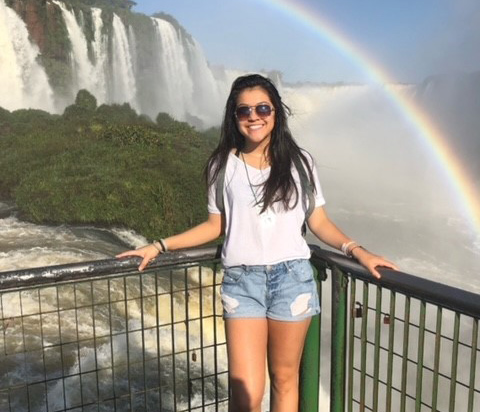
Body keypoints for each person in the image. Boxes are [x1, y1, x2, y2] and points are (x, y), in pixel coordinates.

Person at [117, 74, 398, 412]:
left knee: (284, 380)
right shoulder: (222, 166)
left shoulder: (300, 162)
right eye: (243, 110)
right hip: (242, 282)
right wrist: (160, 245)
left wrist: (358, 251)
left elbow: (318, 221)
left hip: (292, 279)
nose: (254, 116)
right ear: (234, 118)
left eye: (262, 108)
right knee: (247, 395)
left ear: (276, 112)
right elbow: (213, 227)